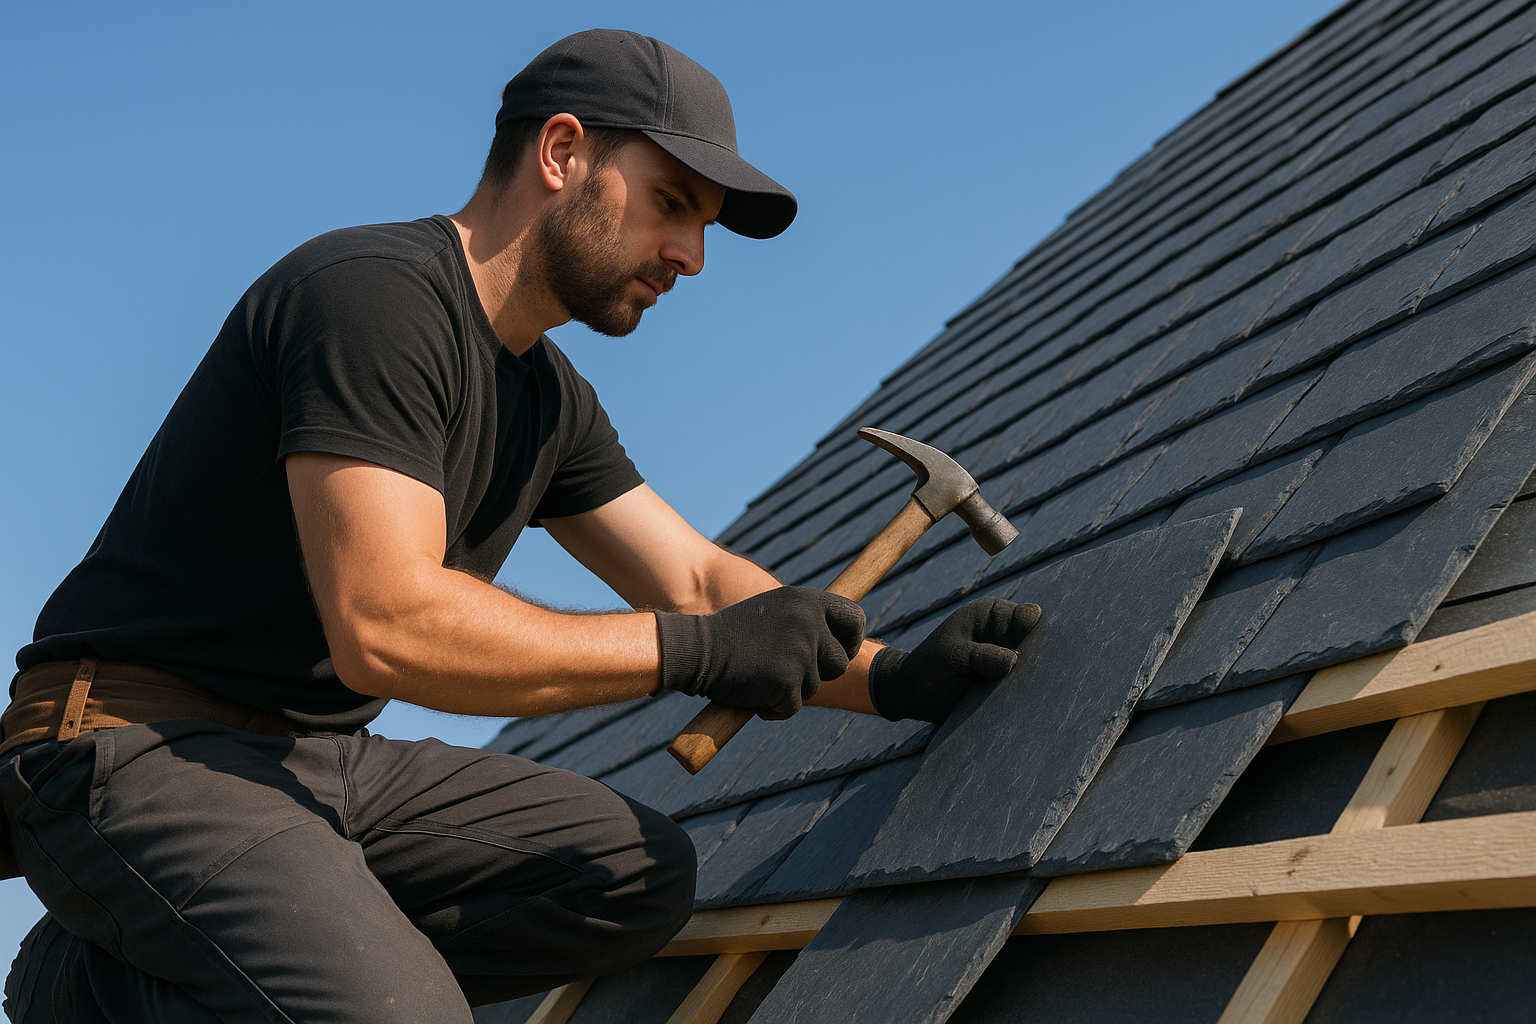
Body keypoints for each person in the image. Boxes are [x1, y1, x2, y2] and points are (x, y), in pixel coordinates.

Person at [0, 29, 1039, 1023]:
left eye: (705, 225)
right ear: (561, 153)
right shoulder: (370, 300)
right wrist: (697, 656)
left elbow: (692, 582)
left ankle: (180, 972)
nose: (692, 254)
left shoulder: (547, 399)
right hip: (130, 744)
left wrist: (894, 679)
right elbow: (388, 621)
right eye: (672, 203)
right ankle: (78, 994)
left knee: (634, 876)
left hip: (312, 764)